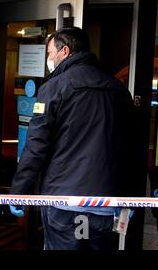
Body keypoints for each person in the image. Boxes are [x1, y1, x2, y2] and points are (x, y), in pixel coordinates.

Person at [10, 27, 135, 250]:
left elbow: (36, 145)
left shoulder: (53, 88)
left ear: (64, 51)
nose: (49, 59)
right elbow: (129, 147)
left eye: (50, 53)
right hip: (105, 204)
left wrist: (19, 191)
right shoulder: (118, 90)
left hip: (63, 203)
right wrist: (128, 196)